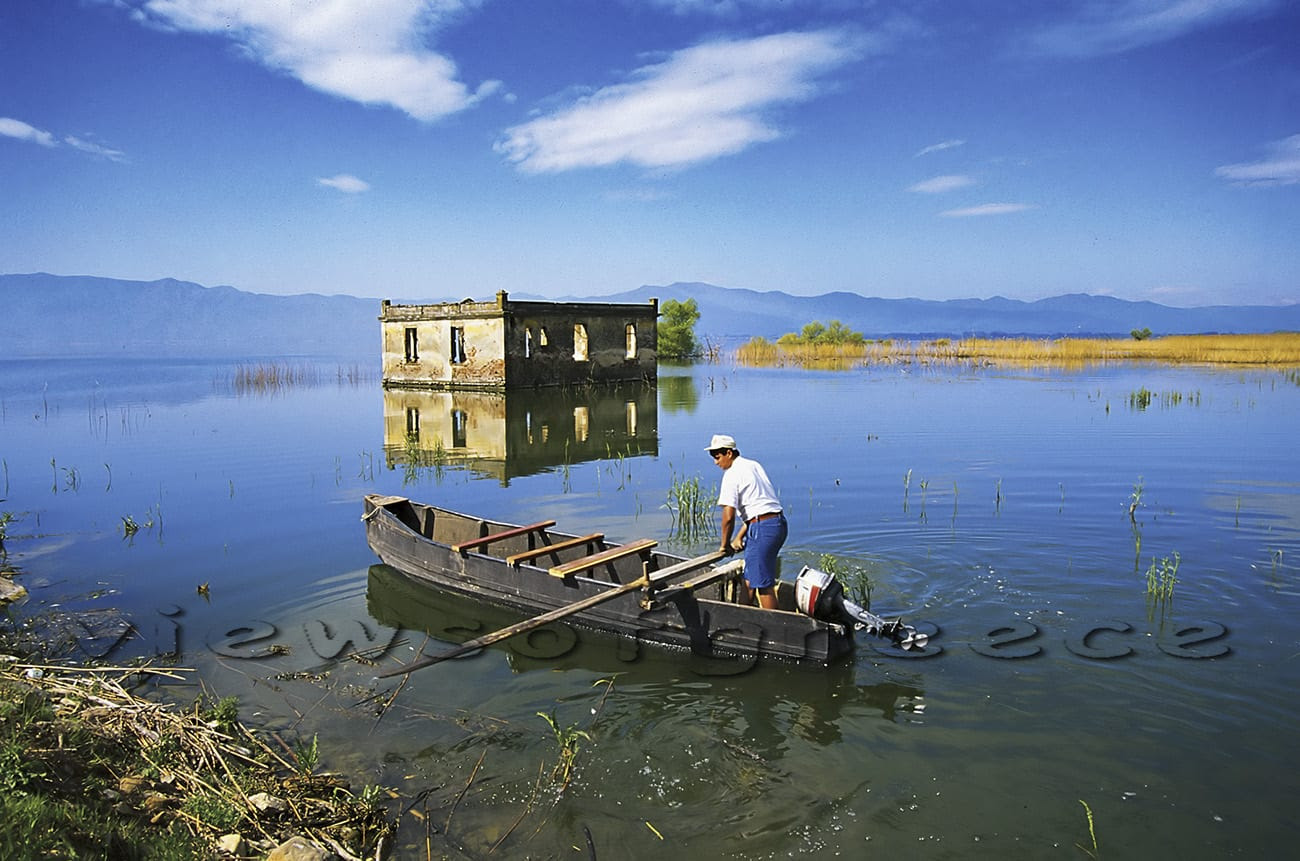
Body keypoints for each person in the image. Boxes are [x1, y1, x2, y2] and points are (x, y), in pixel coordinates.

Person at [708, 433, 787, 609]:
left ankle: (776, 627)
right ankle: (744, 615)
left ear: (729, 453)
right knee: (750, 578)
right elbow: (759, 507)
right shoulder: (753, 465)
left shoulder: (731, 475)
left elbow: (728, 517)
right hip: (777, 524)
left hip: (763, 528)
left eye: (717, 457)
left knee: (763, 585)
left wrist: (724, 545)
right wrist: (739, 537)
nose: (716, 462)